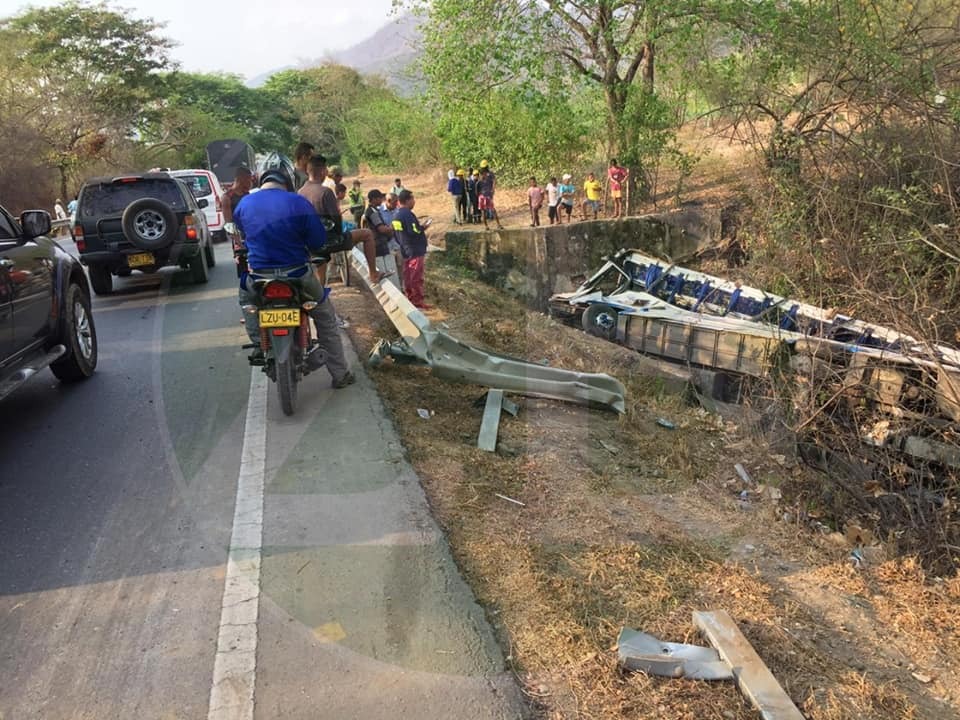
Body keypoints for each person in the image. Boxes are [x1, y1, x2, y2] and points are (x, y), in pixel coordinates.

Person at [233, 166, 355, 389]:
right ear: (287, 183)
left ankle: (260, 345)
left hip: (259, 276)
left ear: (262, 182)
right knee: (325, 317)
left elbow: (242, 232)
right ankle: (340, 374)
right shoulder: (298, 202)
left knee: (247, 302)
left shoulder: (244, 204)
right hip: (297, 274)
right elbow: (317, 241)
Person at [297, 154, 388, 286]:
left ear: (307, 171)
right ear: (323, 171)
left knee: (320, 266)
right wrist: (341, 235)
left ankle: (320, 292)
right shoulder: (325, 192)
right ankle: (373, 274)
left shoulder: (300, 192)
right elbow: (336, 222)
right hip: (327, 241)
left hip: (309, 243)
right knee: (367, 235)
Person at [392, 189, 430, 309]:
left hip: (405, 249)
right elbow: (414, 230)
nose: (414, 201)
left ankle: (410, 297)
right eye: (413, 199)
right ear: (407, 200)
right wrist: (423, 227)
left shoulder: (396, 215)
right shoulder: (408, 214)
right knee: (416, 276)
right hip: (415, 249)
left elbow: (396, 233)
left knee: (408, 275)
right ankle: (417, 300)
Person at [362, 188, 400, 289]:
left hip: (379, 243)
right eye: (379, 198)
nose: (381, 200)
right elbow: (381, 229)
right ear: (374, 199)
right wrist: (392, 228)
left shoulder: (372, 210)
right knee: (385, 271)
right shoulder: (372, 212)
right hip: (378, 244)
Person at [477, 161, 503, 230]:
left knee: (492, 209)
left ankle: (498, 224)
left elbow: (494, 181)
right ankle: (486, 226)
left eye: (484, 167)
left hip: (488, 195)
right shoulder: (480, 175)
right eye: (483, 168)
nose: (484, 168)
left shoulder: (490, 174)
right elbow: (478, 185)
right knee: (483, 211)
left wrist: (493, 190)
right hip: (482, 195)